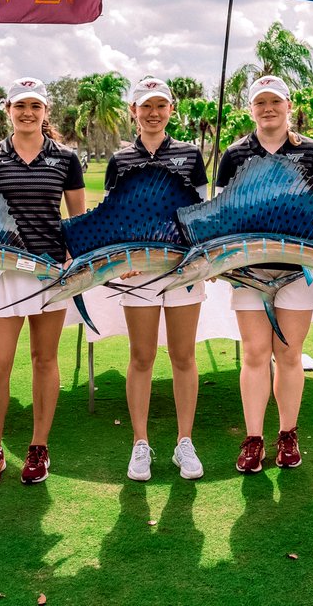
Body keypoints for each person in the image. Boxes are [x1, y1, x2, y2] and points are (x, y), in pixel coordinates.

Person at [217, 75, 313, 474]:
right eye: (260, 102)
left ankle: (288, 435)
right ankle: (253, 439)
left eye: (275, 101)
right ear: (251, 109)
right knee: (253, 354)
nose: (268, 109)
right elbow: (223, 214)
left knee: (289, 354)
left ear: (289, 105)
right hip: (249, 274)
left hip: (297, 272)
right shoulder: (234, 154)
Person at [0, 77, 85, 486]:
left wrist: (74, 258)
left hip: (50, 273)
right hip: (3, 273)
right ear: (8, 110)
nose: (27, 113)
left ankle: (39, 448)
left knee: (44, 360)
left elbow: (75, 220)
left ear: (45, 112)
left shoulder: (66, 158)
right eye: (20, 106)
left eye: (35, 106)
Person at [105, 77, 208, 481]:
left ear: (171, 110)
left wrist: (200, 255)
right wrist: (122, 256)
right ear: (133, 111)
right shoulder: (119, 159)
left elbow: (201, 211)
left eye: (160, 105)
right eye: (145, 106)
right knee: (142, 357)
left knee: (183, 357)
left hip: (181, 269)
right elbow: (114, 216)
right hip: (137, 273)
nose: (153, 113)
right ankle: (141, 444)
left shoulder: (189, 154)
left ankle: (185, 442)